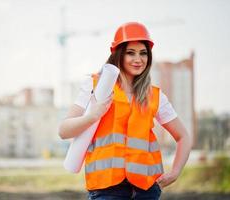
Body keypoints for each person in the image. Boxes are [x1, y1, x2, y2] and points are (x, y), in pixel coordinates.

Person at [59, 22, 192, 200]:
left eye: (143, 53)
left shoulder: (155, 95)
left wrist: (175, 172)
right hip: (107, 190)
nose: (138, 59)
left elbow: (183, 136)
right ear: (118, 54)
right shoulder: (95, 86)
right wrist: (93, 116)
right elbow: (64, 131)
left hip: (146, 190)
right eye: (131, 53)